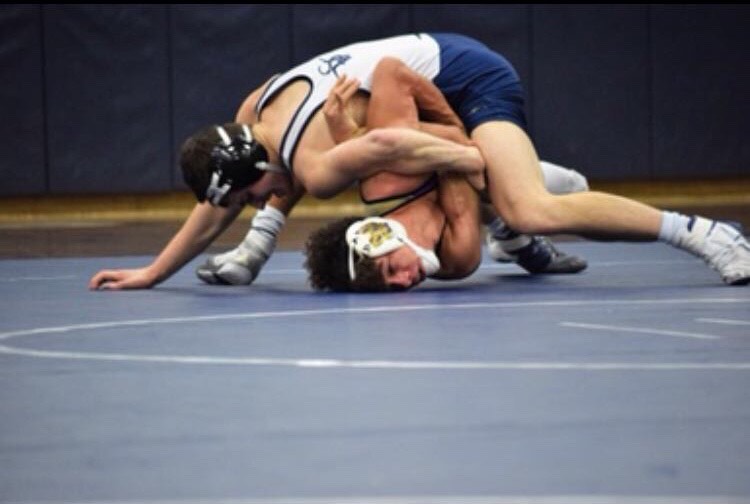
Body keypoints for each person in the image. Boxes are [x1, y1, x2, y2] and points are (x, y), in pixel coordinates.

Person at [88, 33, 585, 291]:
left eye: (250, 200)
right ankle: (515, 224)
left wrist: (479, 162)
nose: (256, 203)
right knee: (420, 175)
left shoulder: (314, 168)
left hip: (459, 74)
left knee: (503, 191)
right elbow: (224, 203)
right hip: (409, 93)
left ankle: (521, 222)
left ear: (256, 172)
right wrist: (154, 271)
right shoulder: (255, 113)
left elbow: (394, 146)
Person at [303, 33, 750, 288]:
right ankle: (511, 233)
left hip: (468, 77)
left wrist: (398, 139)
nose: (402, 283)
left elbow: (389, 71)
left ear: (376, 237)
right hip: (442, 135)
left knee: (531, 208)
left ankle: (707, 235)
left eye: (389, 272)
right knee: (529, 189)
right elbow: (467, 157)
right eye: (388, 289)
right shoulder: (455, 259)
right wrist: (440, 144)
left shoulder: (385, 181)